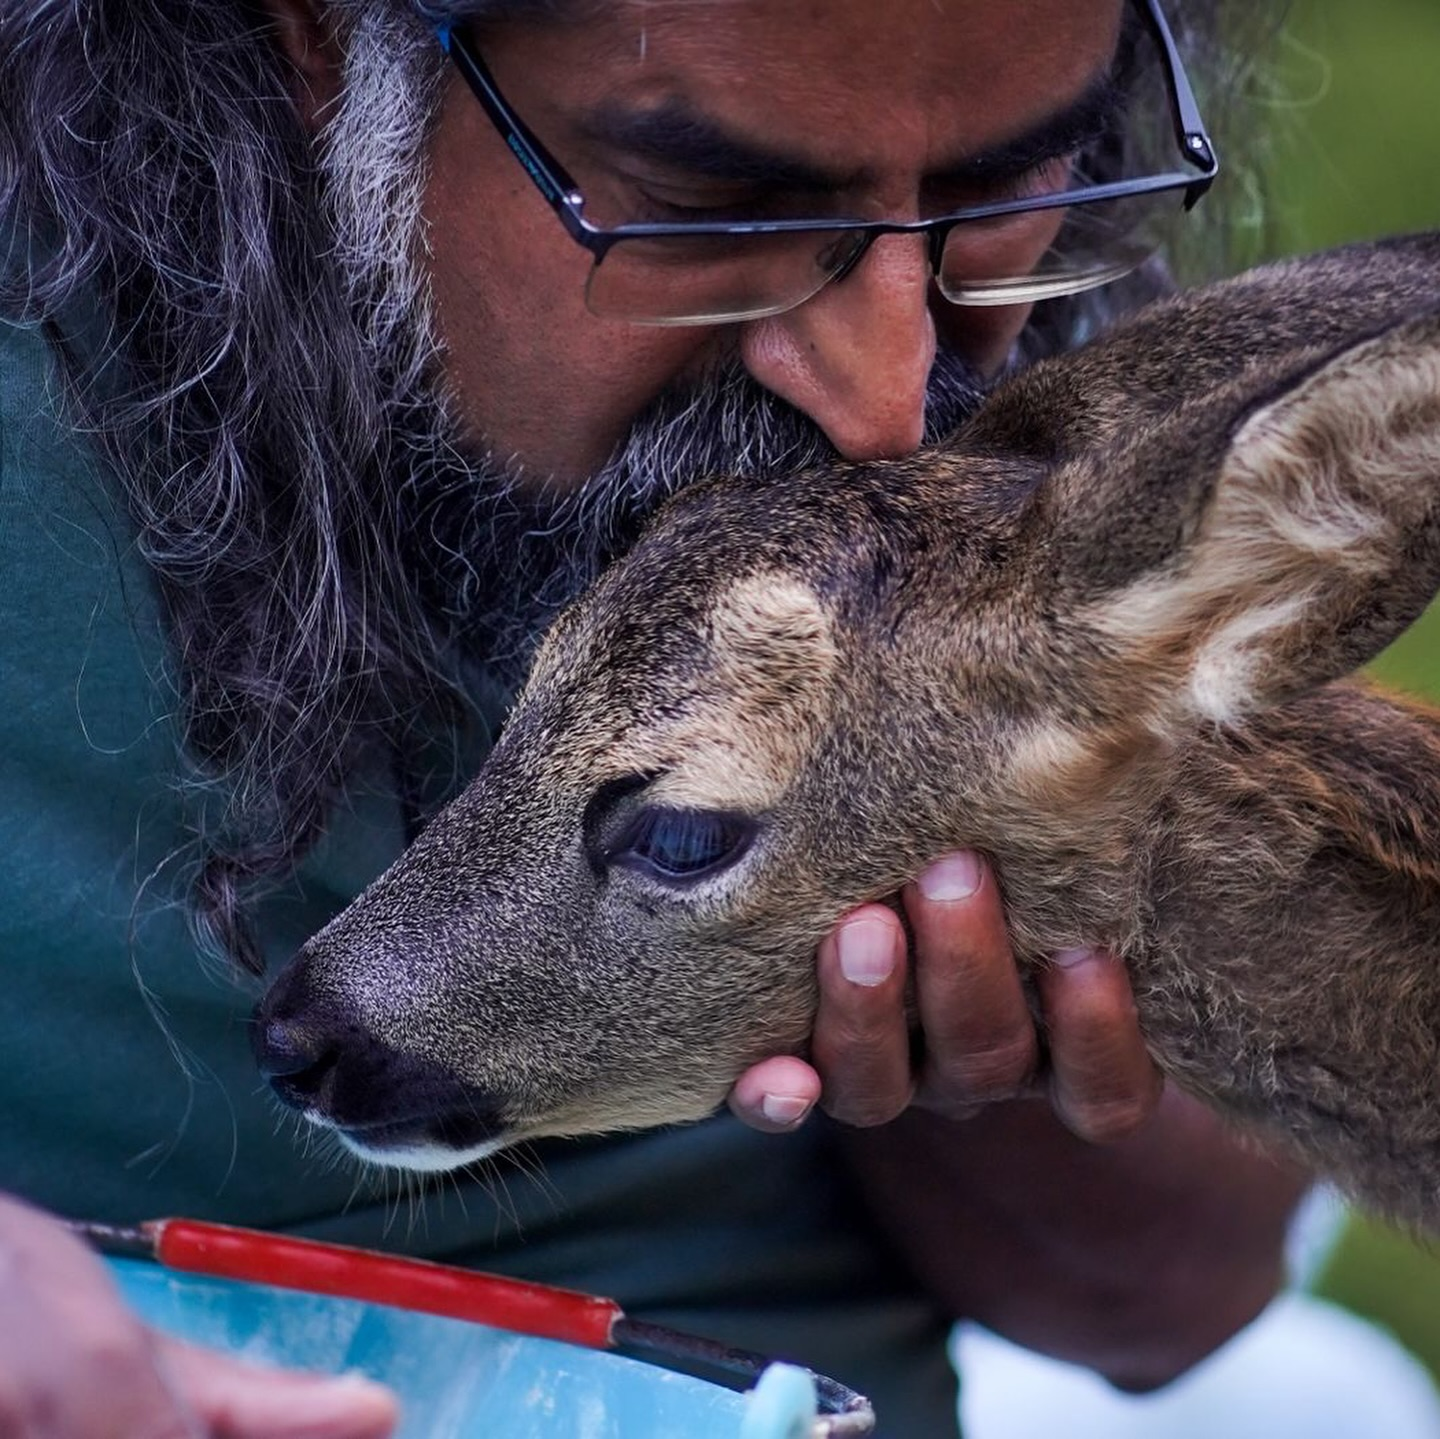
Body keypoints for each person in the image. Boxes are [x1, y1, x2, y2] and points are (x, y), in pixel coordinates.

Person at [0, 1, 1307, 1434]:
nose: (887, 399)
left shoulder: (1041, 379)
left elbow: (1168, 1295)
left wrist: (991, 1031)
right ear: (317, 39)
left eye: (997, 189)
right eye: (714, 206)